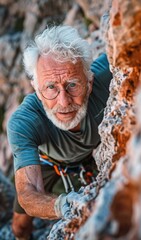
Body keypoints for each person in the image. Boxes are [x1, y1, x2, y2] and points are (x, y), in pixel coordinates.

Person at [7, 25, 112, 240]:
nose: (63, 102)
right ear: (36, 89)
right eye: (51, 88)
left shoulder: (107, 76)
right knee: (19, 228)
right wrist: (62, 206)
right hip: (47, 164)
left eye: (73, 85)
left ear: (89, 83)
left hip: (91, 157)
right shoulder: (24, 122)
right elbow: (28, 193)